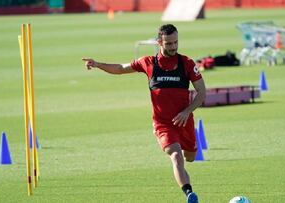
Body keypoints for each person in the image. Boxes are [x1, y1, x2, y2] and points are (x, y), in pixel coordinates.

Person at [82, 24, 206, 203]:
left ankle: (187, 177)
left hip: (184, 121)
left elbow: (202, 93)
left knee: (190, 157)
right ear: (159, 42)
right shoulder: (148, 62)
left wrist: (187, 112)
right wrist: (98, 64)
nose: (173, 47)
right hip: (163, 124)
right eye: (169, 43)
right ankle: (189, 194)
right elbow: (121, 68)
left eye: (175, 42)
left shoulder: (187, 63)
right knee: (176, 156)